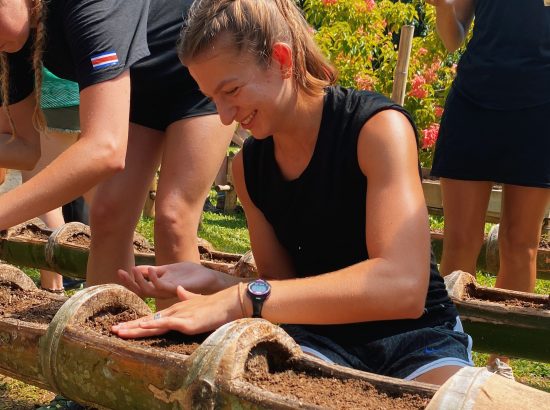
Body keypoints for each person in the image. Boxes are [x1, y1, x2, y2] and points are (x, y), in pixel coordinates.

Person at [112, 0, 473, 385]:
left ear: (282, 60)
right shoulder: (248, 169)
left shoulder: (378, 129)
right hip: (321, 337)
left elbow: (402, 287)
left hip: (418, 338)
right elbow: (282, 294)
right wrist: (213, 282)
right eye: (211, 98)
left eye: (231, 90)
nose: (224, 116)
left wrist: (237, 299)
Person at [0, 0, 233, 305]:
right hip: (139, 88)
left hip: (202, 74)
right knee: (108, 214)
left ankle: (180, 345)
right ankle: (104, 346)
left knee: (173, 219)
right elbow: (26, 148)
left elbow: (104, 149)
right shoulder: (14, 36)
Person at [426, 0, 550, 370]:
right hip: (474, 102)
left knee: (520, 243)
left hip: (540, 109)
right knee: (461, 239)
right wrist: (444, 8)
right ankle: (447, 349)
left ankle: (500, 361)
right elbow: (452, 39)